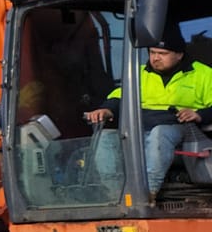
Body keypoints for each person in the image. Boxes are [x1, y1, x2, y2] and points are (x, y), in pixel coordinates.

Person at [83, 34, 212, 196]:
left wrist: (199, 114)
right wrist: (106, 110)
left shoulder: (203, 74)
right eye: (152, 52)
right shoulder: (139, 74)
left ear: (179, 55)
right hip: (139, 128)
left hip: (180, 128)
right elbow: (119, 96)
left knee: (160, 133)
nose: (156, 58)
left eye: (162, 54)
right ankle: (116, 192)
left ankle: (148, 193)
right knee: (106, 138)